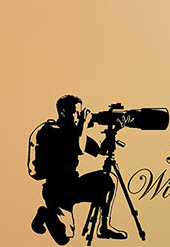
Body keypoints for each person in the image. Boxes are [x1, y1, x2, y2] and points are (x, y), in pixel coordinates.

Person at [31, 95, 123, 242]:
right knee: (64, 238)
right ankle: (45, 213)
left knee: (108, 180)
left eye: (81, 113)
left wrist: (113, 132)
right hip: (56, 190)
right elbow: (78, 147)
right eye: (76, 112)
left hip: (73, 186)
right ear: (63, 112)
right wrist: (84, 123)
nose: (80, 116)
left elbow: (101, 150)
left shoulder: (74, 132)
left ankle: (104, 226)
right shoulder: (50, 130)